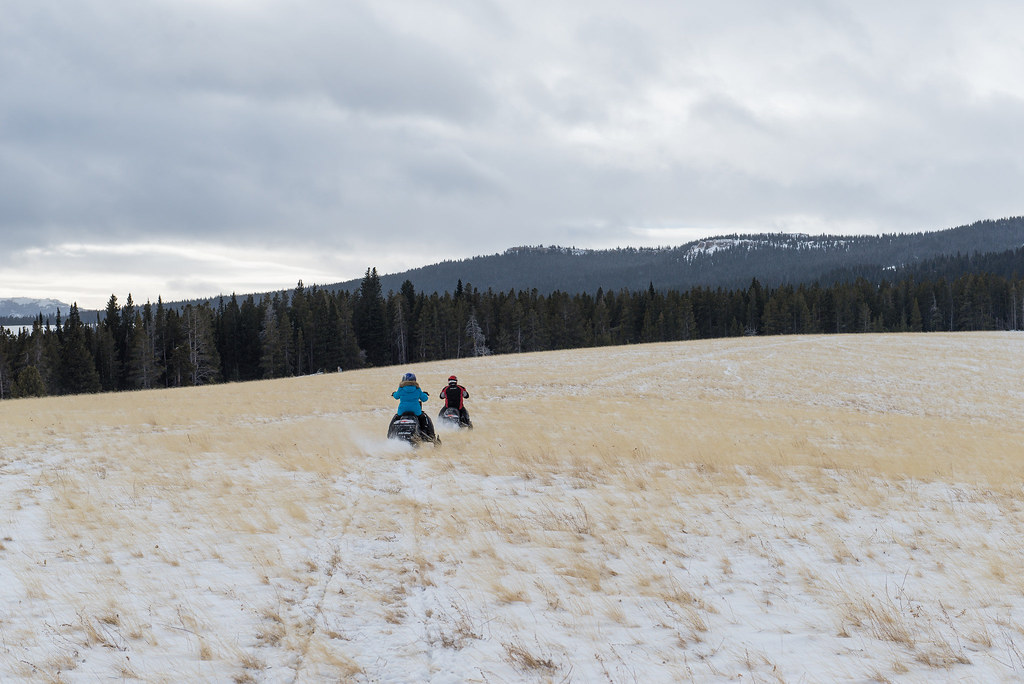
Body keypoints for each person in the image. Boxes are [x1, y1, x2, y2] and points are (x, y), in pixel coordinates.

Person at [390, 372, 436, 440]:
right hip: (416, 411)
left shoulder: (401, 389)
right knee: (424, 418)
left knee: (395, 418)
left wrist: (394, 394)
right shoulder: (417, 389)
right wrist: (425, 394)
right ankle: (429, 435)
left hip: (402, 411)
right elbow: (424, 399)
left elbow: (396, 396)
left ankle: (390, 434)